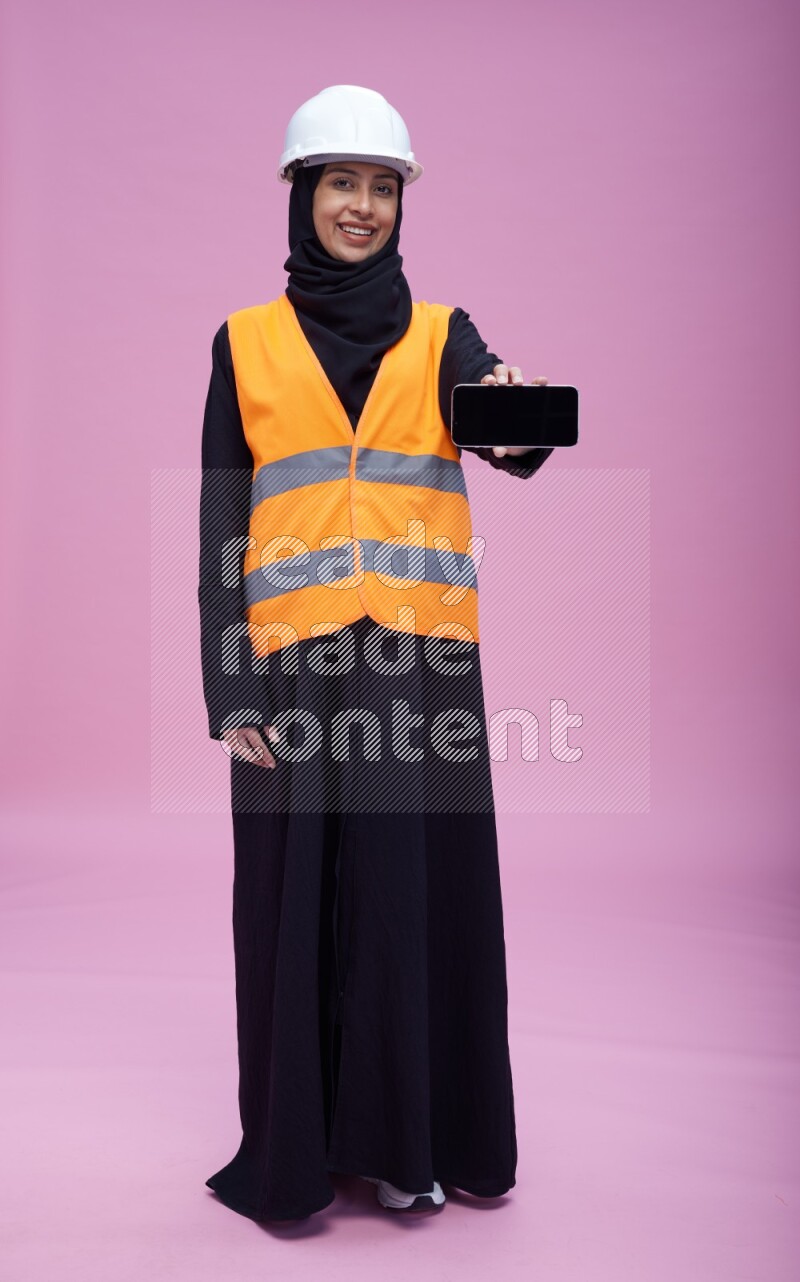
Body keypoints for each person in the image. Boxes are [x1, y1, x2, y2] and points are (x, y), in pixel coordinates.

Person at [198, 84, 554, 1221]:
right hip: (291, 666)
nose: (361, 206)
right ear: (302, 195)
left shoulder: (446, 332)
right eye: (340, 183)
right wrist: (228, 690)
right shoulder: (243, 342)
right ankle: (298, 1154)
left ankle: (413, 1147)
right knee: (291, 905)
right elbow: (219, 526)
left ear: (403, 202)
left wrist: (517, 416)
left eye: (382, 187)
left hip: (418, 670)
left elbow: (521, 439)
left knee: (409, 905)